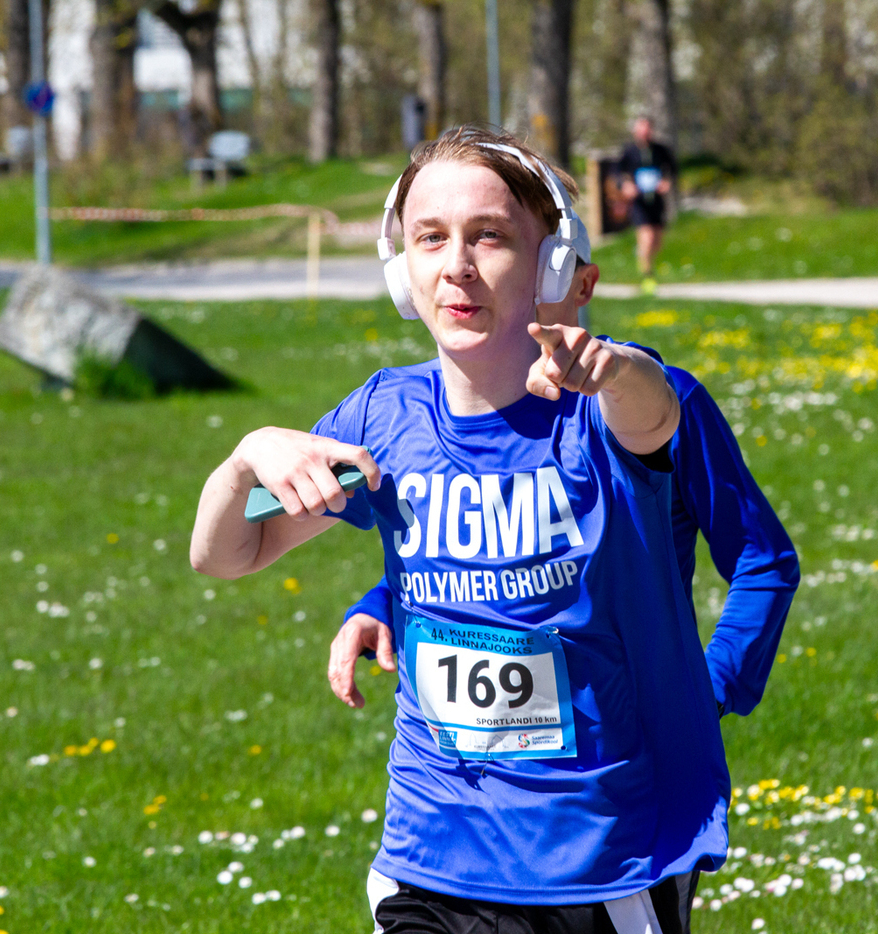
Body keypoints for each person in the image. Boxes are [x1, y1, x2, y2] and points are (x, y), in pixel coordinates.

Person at [191, 126, 740, 933]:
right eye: (430, 238)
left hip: (595, 860)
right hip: (431, 850)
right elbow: (225, 554)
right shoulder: (382, 416)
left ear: (552, 264)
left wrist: (613, 369)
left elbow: (653, 411)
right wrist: (243, 461)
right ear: (401, 271)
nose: (457, 265)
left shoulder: (600, 408)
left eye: (489, 236)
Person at [334, 190, 799, 934]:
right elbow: (486, 554)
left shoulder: (653, 405)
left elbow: (764, 561)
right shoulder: (448, 404)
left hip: (609, 830)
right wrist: (379, 605)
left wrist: (707, 689)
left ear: (572, 280)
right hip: (452, 832)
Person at [618, 117, 677, 295]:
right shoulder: (629, 151)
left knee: (657, 241)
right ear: (635, 131)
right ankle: (647, 276)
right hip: (639, 202)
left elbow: (673, 168)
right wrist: (625, 185)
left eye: (647, 129)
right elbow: (617, 171)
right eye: (641, 129)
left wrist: (666, 182)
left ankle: (644, 258)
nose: (644, 133)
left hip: (656, 201)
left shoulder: (660, 150)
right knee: (647, 237)